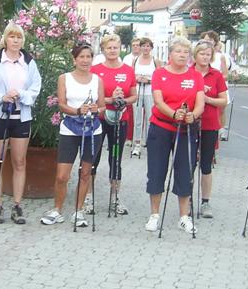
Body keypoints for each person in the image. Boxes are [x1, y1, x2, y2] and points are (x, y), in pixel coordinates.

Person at [0, 23, 42, 224]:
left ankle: (17, 204)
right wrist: (1, 97)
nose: (16, 41)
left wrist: (21, 95)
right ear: (5, 39)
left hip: (21, 117)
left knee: (19, 161)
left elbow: (35, 87)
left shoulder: (29, 62)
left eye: (19, 38)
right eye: (12, 37)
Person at [40, 43, 105, 226]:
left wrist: (95, 109)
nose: (85, 60)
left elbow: (102, 107)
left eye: (88, 57)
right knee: (62, 175)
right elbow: (61, 104)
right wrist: (78, 111)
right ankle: (57, 210)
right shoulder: (65, 78)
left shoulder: (97, 80)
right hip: (69, 128)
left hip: (92, 130)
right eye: (81, 57)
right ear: (74, 59)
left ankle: (78, 211)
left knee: (85, 173)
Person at [145, 37, 205, 234]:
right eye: (178, 51)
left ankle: (184, 216)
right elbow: (158, 100)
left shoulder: (196, 76)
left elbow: (200, 103)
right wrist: (173, 113)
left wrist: (193, 115)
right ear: (170, 54)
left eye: (186, 52)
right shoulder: (159, 73)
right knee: (156, 170)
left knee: (185, 172)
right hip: (161, 127)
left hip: (187, 129)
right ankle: (154, 215)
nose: (182, 55)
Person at [90, 34, 137, 215]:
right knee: (93, 156)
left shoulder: (127, 70)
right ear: (103, 49)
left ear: (120, 49)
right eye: (109, 47)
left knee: (115, 159)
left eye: (115, 47)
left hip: (120, 120)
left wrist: (123, 100)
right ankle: (88, 197)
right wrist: (109, 99)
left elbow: (134, 96)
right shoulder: (95, 70)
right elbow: (91, 95)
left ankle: (114, 197)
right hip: (99, 119)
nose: (112, 50)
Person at [193, 41, 228, 219]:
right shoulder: (189, 72)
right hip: (190, 123)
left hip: (209, 124)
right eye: (202, 54)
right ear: (196, 55)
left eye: (208, 54)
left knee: (206, 165)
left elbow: (224, 100)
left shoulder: (216, 75)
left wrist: (207, 99)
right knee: (188, 163)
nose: (205, 57)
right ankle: (187, 199)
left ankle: (205, 201)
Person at [131, 38, 161, 157]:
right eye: (143, 46)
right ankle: (137, 144)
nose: (145, 48)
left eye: (148, 46)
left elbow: (159, 78)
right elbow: (131, 75)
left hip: (150, 92)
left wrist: (149, 80)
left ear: (151, 48)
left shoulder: (155, 60)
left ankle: (150, 143)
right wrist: (137, 79)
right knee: (137, 119)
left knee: (150, 118)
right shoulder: (136, 60)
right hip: (138, 91)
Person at [201, 30, 231, 137]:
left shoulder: (220, 56)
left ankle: (220, 129)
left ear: (215, 42)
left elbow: (226, 75)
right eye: (205, 40)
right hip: (203, 86)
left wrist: (215, 80)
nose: (207, 42)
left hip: (217, 86)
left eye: (210, 40)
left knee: (220, 110)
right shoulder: (199, 55)